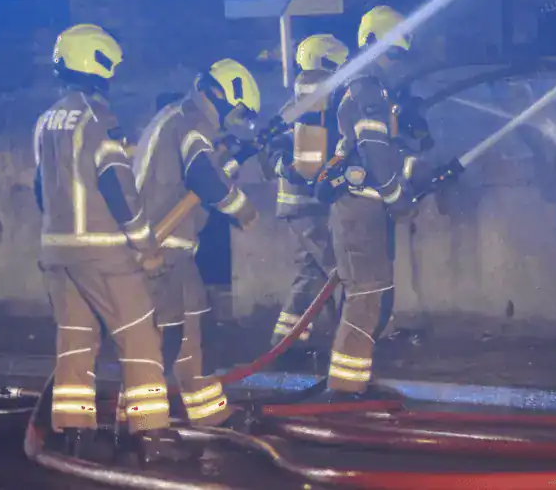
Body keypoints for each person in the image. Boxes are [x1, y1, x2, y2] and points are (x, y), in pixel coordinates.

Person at [33, 24, 189, 463]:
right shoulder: (100, 120)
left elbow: (39, 188)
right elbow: (118, 187)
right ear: (99, 65)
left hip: (57, 254)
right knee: (139, 336)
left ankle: (75, 435)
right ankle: (152, 436)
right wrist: (145, 244)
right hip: (103, 252)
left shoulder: (46, 122)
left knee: (76, 342)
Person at [132, 59, 260, 427]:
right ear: (219, 96)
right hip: (158, 247)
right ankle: (141, 426)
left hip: (177, 248)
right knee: (162, 341)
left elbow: (200, 174)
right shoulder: (189, 121)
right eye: (235, 112)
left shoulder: (182, 120)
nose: (231, 120)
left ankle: (207, 413)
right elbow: (204, 177)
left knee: (192, 328)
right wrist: (243, 209)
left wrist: (233, 160)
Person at [311, 5, 430, 400]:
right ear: (374, 44)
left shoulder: (374, 89)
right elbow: (375, 150)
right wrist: (398, 198)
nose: (396, 62)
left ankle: (353, 384)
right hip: (360, 210)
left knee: (372, 298)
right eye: (393, 53)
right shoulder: (367, 90)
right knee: (365, 301)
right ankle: (343, 393)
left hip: (365, 210)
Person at [268, 34, 350, 369]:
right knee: (337, 270)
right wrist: (288, 164)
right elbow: (274, 150)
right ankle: (346, 344)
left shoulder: (322, 108)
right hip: (303, 207)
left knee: (311, 273)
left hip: (311, 206)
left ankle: (285, 345)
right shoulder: (303, 107)